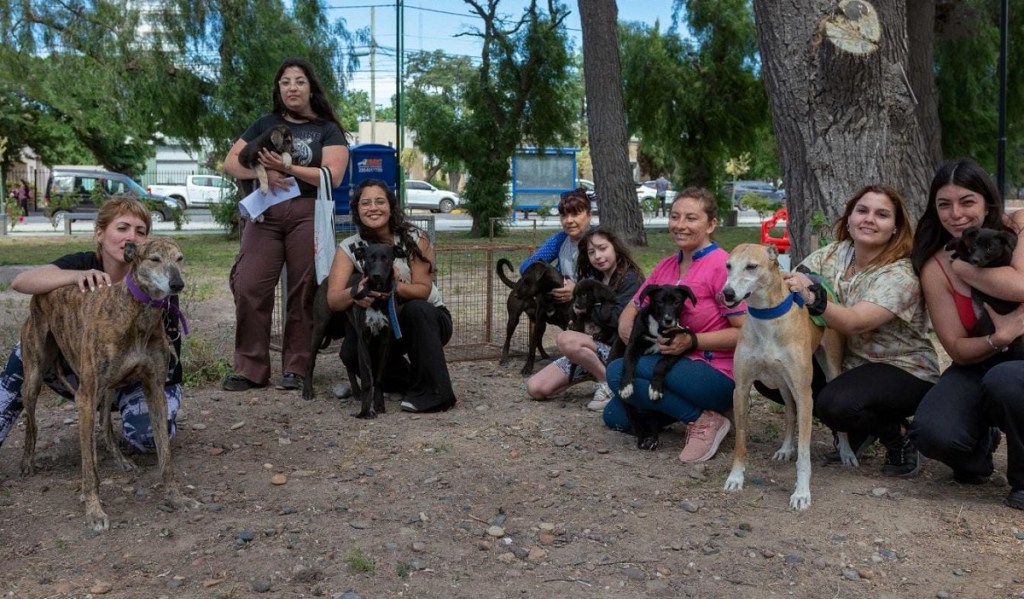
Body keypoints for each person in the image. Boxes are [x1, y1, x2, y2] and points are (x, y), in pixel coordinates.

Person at [776, 185, 939, 477]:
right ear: (849, 218)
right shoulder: (836, 254)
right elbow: (796, 276)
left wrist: (813, 297)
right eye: (862, 211)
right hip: (851, 364)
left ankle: (899, 434)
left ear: (895, 228)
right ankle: (860, 425)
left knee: (834, 404)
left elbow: (854, 322)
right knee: (776, 375)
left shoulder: (900, 273)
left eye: (882, 215)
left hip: (902, 368)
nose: (869, 219)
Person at [0, 197, 182, 452]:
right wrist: (76, 276)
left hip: (137, 379)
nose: (131, 237)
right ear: (100, 233)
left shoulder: (157, 280)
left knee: (148, 438)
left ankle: (135, 418)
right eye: (122, 228)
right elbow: (21, 281)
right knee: (25, 352)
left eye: (140, 231)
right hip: (85, 370)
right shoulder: (84, 263)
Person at [221, 57, 349, 392]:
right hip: (265, 213)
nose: (292, 87)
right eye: (285, 82)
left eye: (299, 81)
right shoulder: (265, 122)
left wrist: (288, 169)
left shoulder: (327, 129)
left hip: (308, 212)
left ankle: (297, 366)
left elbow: (333, 176)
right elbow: (231, 162)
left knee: (303, 289)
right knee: (249, 285)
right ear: (278, 89)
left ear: (311, 88)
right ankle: (250, 368)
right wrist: (265, 173)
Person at [908, 159, 1024, 509]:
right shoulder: (935, 267)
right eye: (944, 204)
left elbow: (1020, 286)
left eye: (967, 202)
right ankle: (978, 451)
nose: (955, 214)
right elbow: (957, 349)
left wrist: (964, 266)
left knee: (1007, 379)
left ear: (987, 201)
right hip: (984, 358)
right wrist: (998, 338)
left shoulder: (1017, 232)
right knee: (933, 432)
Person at [603, 187, 746, 463]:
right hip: (666, 364)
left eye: (691, 218)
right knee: (615, 416)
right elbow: (632, 308)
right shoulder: (666, 266)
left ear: (711, 224)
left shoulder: (722, 266)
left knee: (618, 370)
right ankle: (683, 407)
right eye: (675, 216)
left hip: (715, 370)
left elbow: (745, 332)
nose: (680, 225)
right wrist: (632, 332)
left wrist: (692, 341)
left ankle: (704, 420)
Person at [327, 179, 456, 413]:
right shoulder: (349, 247)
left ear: (391, 206)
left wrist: (394, 286)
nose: (373, 208)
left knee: (418, 309)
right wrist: (356, 293)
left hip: (427, 320)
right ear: (357, 209)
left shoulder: (414, 238)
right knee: (350, 351)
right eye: (365, 203)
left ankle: (438, 393)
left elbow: (423, 290)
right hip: (383, 323)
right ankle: (407, 383)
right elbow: (334, 299)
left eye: (379, 201)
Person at [525, 227, 644, 411]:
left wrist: (585, 310)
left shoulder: (630, 278)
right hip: (593, 347)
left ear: (615, 248)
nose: (598, 255)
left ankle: (608, 382)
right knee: (535, 388)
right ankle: (593, 370)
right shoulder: (594, 277)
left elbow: (618, 319)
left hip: (617, 351)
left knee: (566, 339)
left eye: (603, 248)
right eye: (591, 252)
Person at [518, 188, 593, 305]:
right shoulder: (560, 239)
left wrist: (577, 289)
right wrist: (553, 279)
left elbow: (606, 281)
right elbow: (526, 267)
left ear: (589, 215)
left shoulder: (599, 241)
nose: (569, 220)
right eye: (564, 215)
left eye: (575, 214)